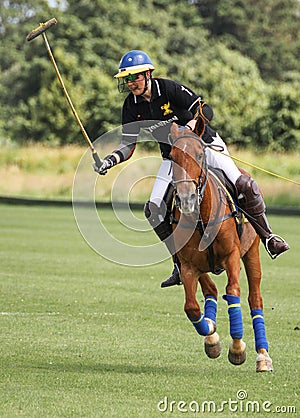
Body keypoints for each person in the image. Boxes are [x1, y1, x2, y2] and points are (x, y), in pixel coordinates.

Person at [94, 50, 289, 287]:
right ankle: (178, 263)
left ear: (147, 74)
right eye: (126, 79)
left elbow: (206, 109)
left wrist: (194, 122)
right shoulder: (131, 106)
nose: (130, 83)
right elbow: (128, 144)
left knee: (244, 184)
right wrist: (109, 161)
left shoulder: (168, 89)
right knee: (154, 208)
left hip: (204, 146)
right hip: (174, 157)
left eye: (134, 77)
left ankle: (268, 237)